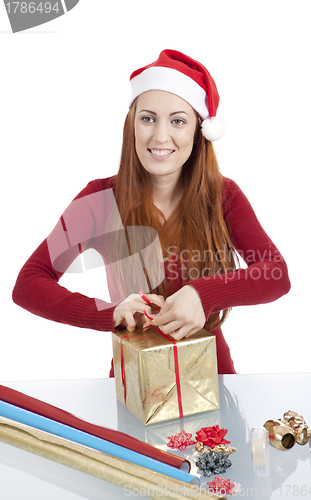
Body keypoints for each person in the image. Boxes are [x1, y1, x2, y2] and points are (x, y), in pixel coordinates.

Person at [12, 49, 291, 376]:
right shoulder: (101, 200)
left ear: (198, 132)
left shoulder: (222, 195)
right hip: (136, 380)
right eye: (148, 118)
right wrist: (111, 313)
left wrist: (202, 294)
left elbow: (275, 273)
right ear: (132, 125)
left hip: (214, 375)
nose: (161, 136)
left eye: (178, 121)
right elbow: (29, 283)